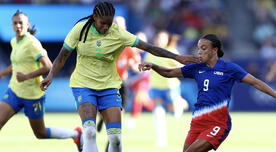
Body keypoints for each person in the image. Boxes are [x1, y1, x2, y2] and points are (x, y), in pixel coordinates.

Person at [40, 2, 198, 152]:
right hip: (83, 85)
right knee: (89, 132)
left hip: (109, 87)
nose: (106, 27)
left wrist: (177, 58)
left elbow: (149, 47)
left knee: (115, 139)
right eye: (103, 23)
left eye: (109, 23)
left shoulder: (118, 33)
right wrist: (50, 75)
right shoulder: (80, 30)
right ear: (94, 16)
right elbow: (62, 56)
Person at [138, 34, 276, 152]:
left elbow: (255, 82)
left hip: (218, 123)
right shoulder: (197, 68)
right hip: (197, 122)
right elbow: (169, 73)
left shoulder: (229, 68)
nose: (199, 52)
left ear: (214, 50)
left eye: (203, 48)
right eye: (198, 48)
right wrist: (154, 66)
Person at [0, 10, 82, 152]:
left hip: (32, 96)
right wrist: (2, 73)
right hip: (14, 91)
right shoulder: (14, 41)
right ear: (12, 25)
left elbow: (48, 66)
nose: (18, 26)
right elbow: (18, 63)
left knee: (40, 133)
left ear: (27, 24)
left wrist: (27, 76)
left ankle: (76, 135)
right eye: (15, 23)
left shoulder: (32, 43)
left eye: (21, 23)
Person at [144, 30, 188, 146]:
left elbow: (181, 67)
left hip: (170, 87)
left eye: (163, 38)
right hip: (155, 87)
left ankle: (181, 102)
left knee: (174, 114)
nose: (160, 40)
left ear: (167, 40)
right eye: (158, 38)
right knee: (158, 112)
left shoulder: (171, 52)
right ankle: (161, 138)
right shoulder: (150, 53)